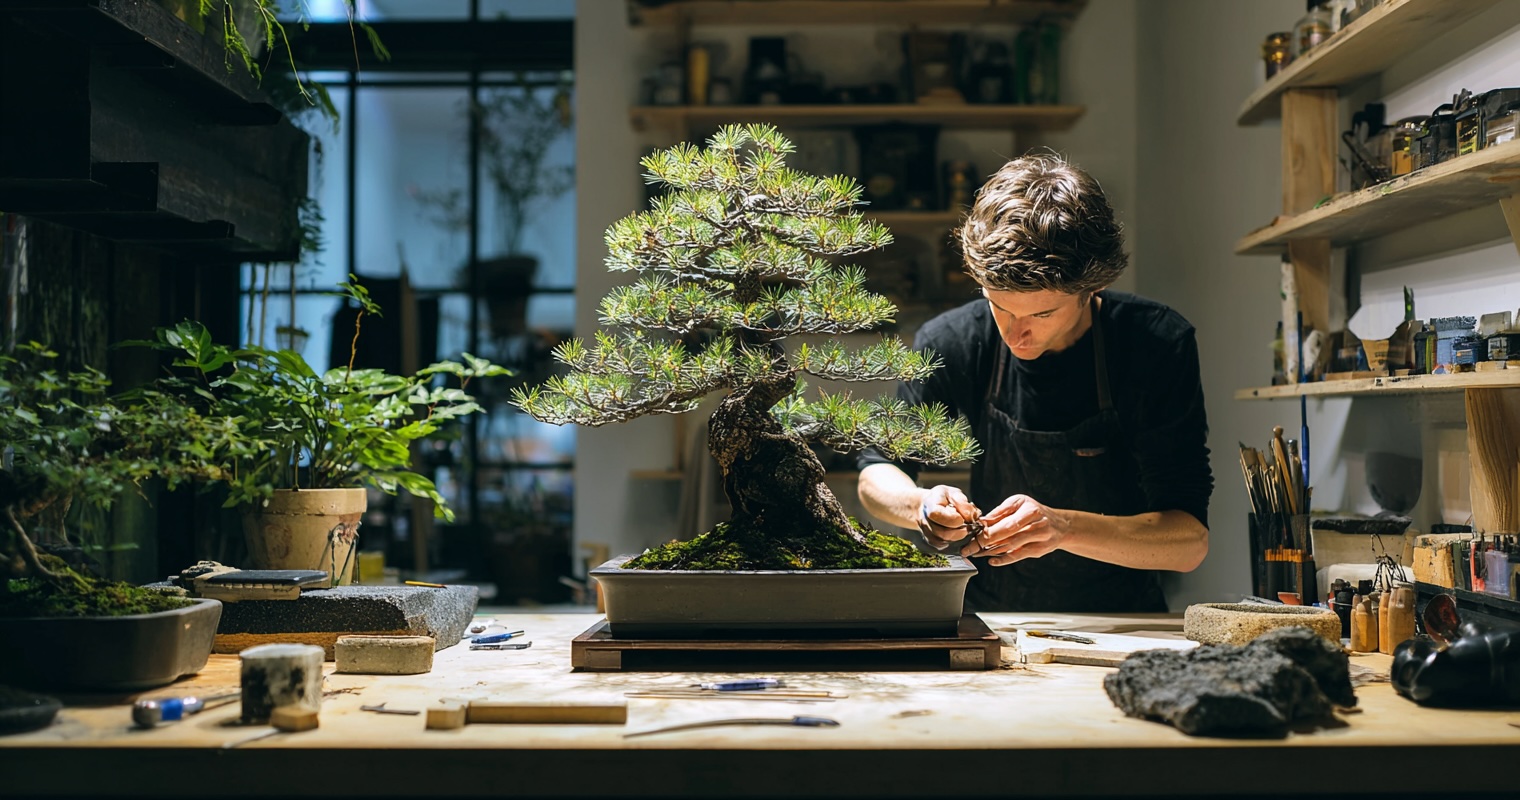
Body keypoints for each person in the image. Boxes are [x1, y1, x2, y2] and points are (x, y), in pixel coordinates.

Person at [857, 153, 1212, 613]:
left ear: (1092, 288)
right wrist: (922, 505)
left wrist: (1062, 528)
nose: (1015, 334)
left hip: (1124, 618)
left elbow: (1188, 543)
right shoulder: (952, 340)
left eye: (1042, 314)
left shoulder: (1154, 343)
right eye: (999, 306)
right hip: (991, 614)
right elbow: (875, 474)